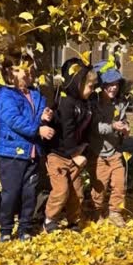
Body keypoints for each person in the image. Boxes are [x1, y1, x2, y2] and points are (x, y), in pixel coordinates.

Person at [0, 54, 53, 242]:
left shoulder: (36, 94)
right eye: (20, 69)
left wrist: (45, 116)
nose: (26, 72)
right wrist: (38, 129)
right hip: (13, 152)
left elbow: (37, 118)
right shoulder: (5, 95)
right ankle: (5, 228)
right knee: (11, 192)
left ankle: (25, 227)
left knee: (29, 193)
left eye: (28, 68)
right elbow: (13, 120)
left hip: (33, 152)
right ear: (9, 73)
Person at [43, 58, 97, 233]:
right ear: (78, 84)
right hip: (59, 155)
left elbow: (87, 129)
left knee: (77, 191)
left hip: (75, 156)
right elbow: (67, 131)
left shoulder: (86, 105)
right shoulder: (66, 104)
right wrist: (75, 154)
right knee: (61, 190)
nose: (92, 90)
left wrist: (84, 147)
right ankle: (49, 219)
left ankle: (73, 220)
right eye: (90, 86)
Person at [88, 60, 130, 227]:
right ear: (100, 86)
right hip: (98, 153)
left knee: (120, 184)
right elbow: (93, 127)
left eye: (116, 84)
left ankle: (115, 212)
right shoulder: (93, 105)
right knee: (100, 187)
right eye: (109, 84)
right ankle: (96, 211)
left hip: (115, 152)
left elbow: (123, 120)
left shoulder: (118, 104)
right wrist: (112, 126)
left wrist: (125, 127)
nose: (113, 88)